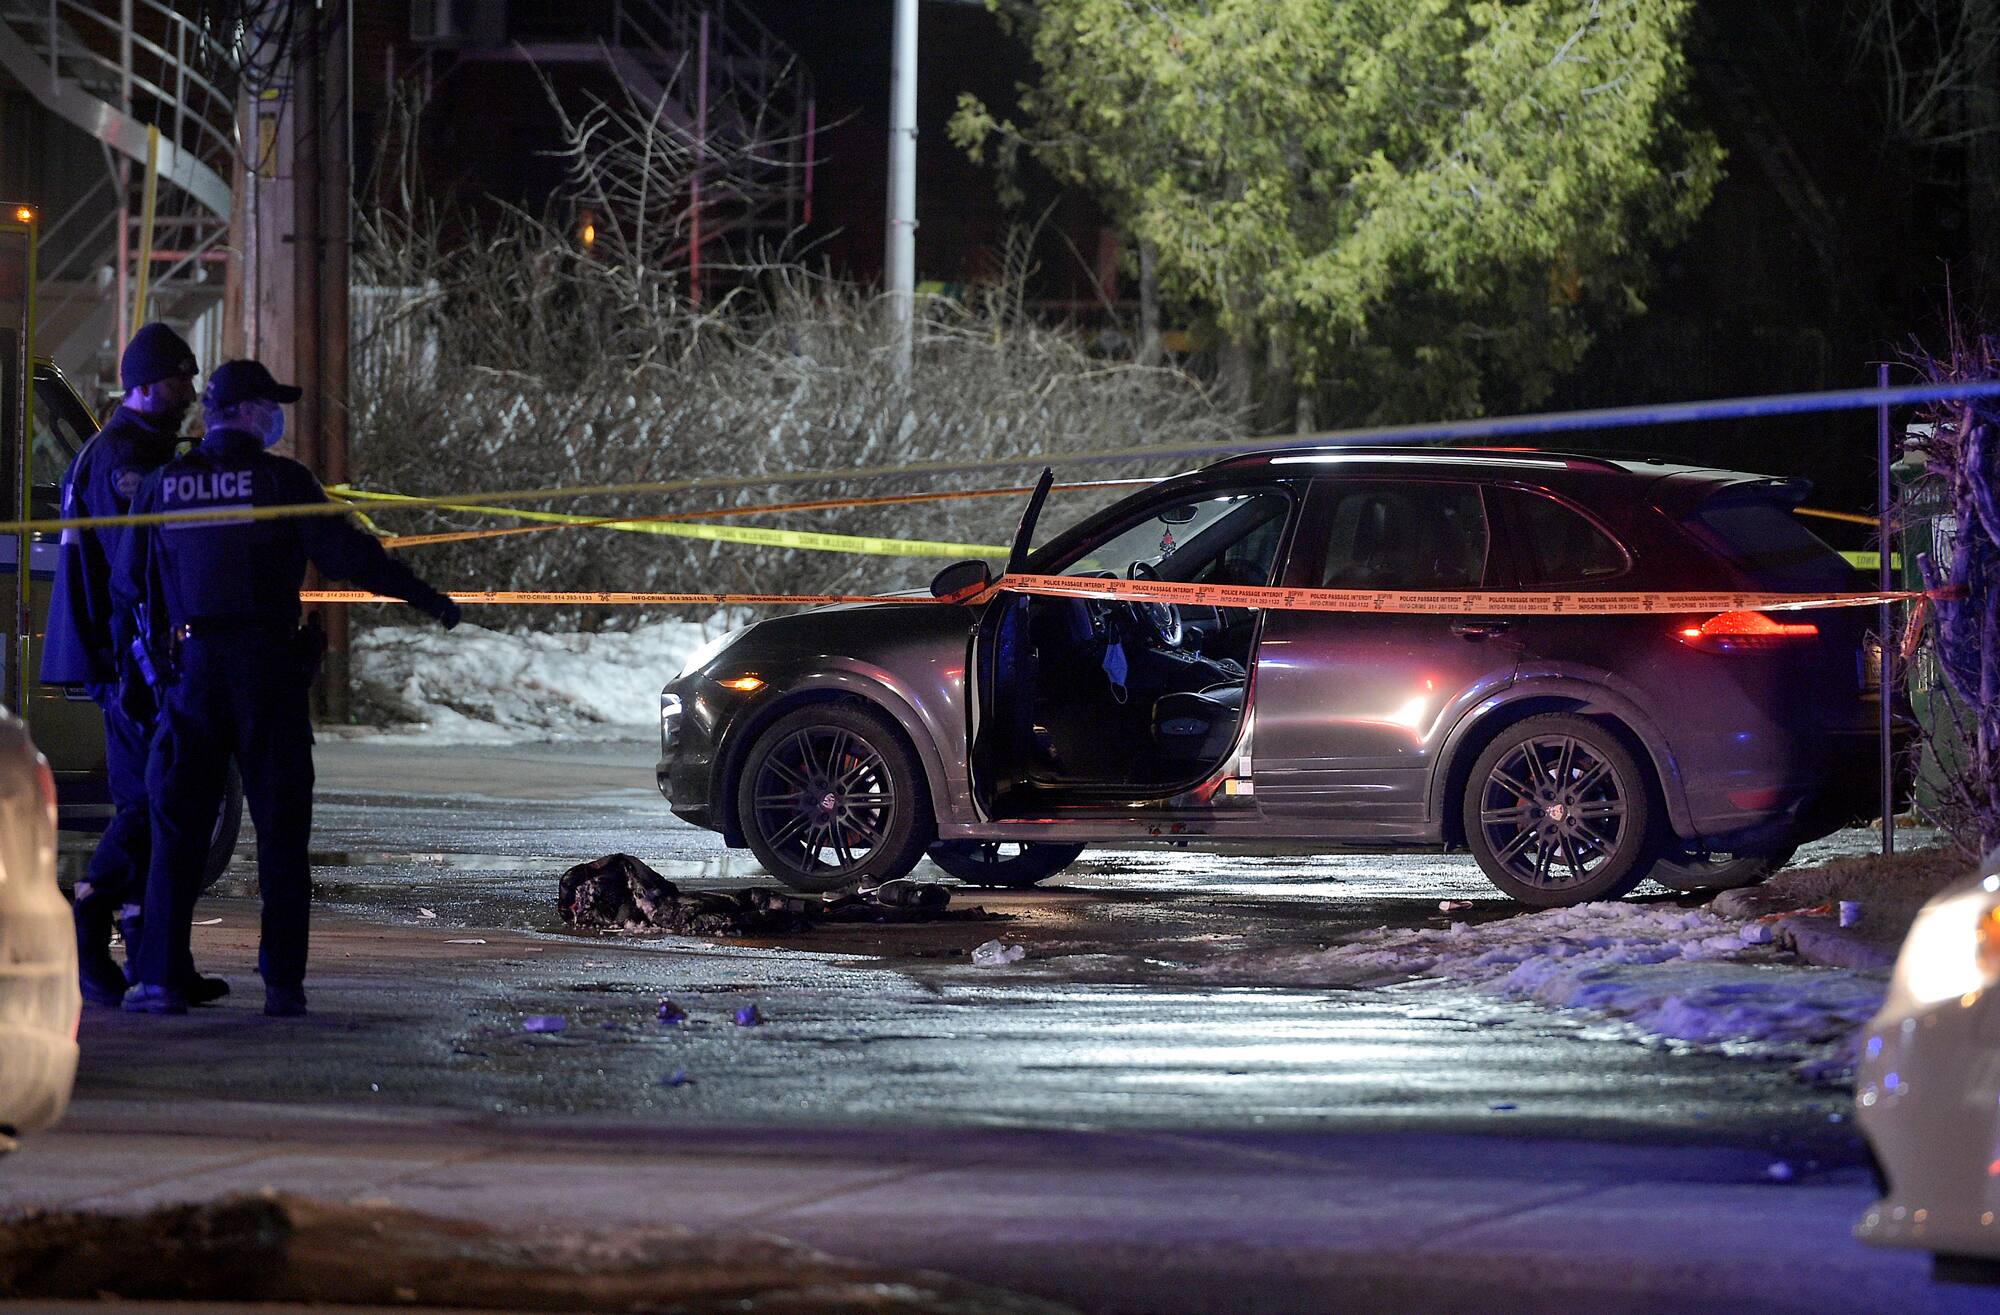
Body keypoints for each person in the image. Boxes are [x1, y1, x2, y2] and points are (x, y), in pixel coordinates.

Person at [113, 360, 461, 1016]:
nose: (277, 417)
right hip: (266, 671)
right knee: (280, 828)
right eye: (271, 405)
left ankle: (159, 977)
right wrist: (429, 599)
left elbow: (129, 585)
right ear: (247, 411)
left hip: (192, 672)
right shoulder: (281, 481)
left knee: (178, 828)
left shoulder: (164, 485)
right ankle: (281, 985)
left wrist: (146, 671)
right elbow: (352, 558)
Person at [39, 322, 226, 1007]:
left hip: (128, 656)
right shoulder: (125, 460)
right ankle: (89, 922)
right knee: (156, 802)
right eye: (180, 379)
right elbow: (141, 569)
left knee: (148, 802)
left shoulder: (130, 450)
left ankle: (155, 961)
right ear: (148, 385)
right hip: (132, 659)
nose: (191, 391)